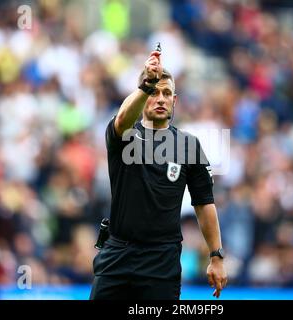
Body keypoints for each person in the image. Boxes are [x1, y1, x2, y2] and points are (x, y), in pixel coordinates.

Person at [89, 47, 227, 300]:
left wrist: (216, 256)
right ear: (142, 96)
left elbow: (204, 203)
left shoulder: (189, 145)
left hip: (161, 262)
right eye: (154, 92)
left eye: (167, 93)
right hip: (117, 255)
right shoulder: (125, 135)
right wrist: (146, 84)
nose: (160, 98)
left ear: (175, 101)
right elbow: (122, 119)